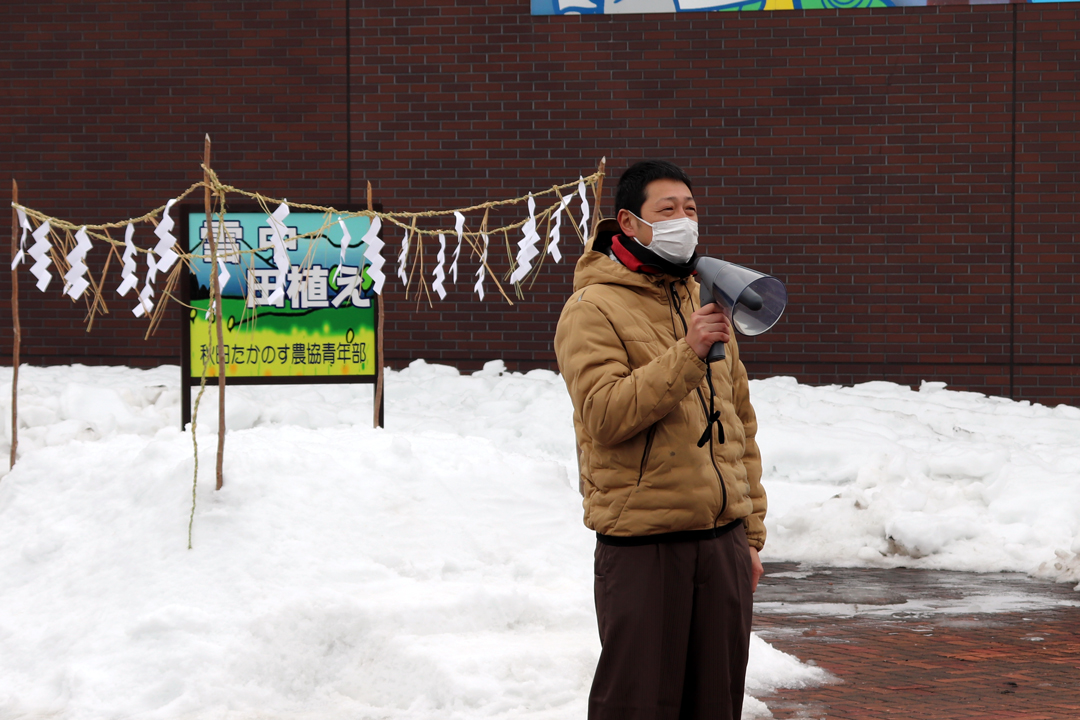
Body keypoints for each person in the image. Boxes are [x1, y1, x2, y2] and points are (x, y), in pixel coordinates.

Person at [553, 160, 766, 720]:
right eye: (666, 210)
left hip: (722, 543)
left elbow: (739, 425)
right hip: (645, 545)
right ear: (628, 222)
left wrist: (751, 536)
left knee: (716, 702)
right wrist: (688, 353)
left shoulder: (705, 299)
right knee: (640, 702)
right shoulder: (591, 309)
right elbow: (604, 415)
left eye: (690, 210)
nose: (683, 221)